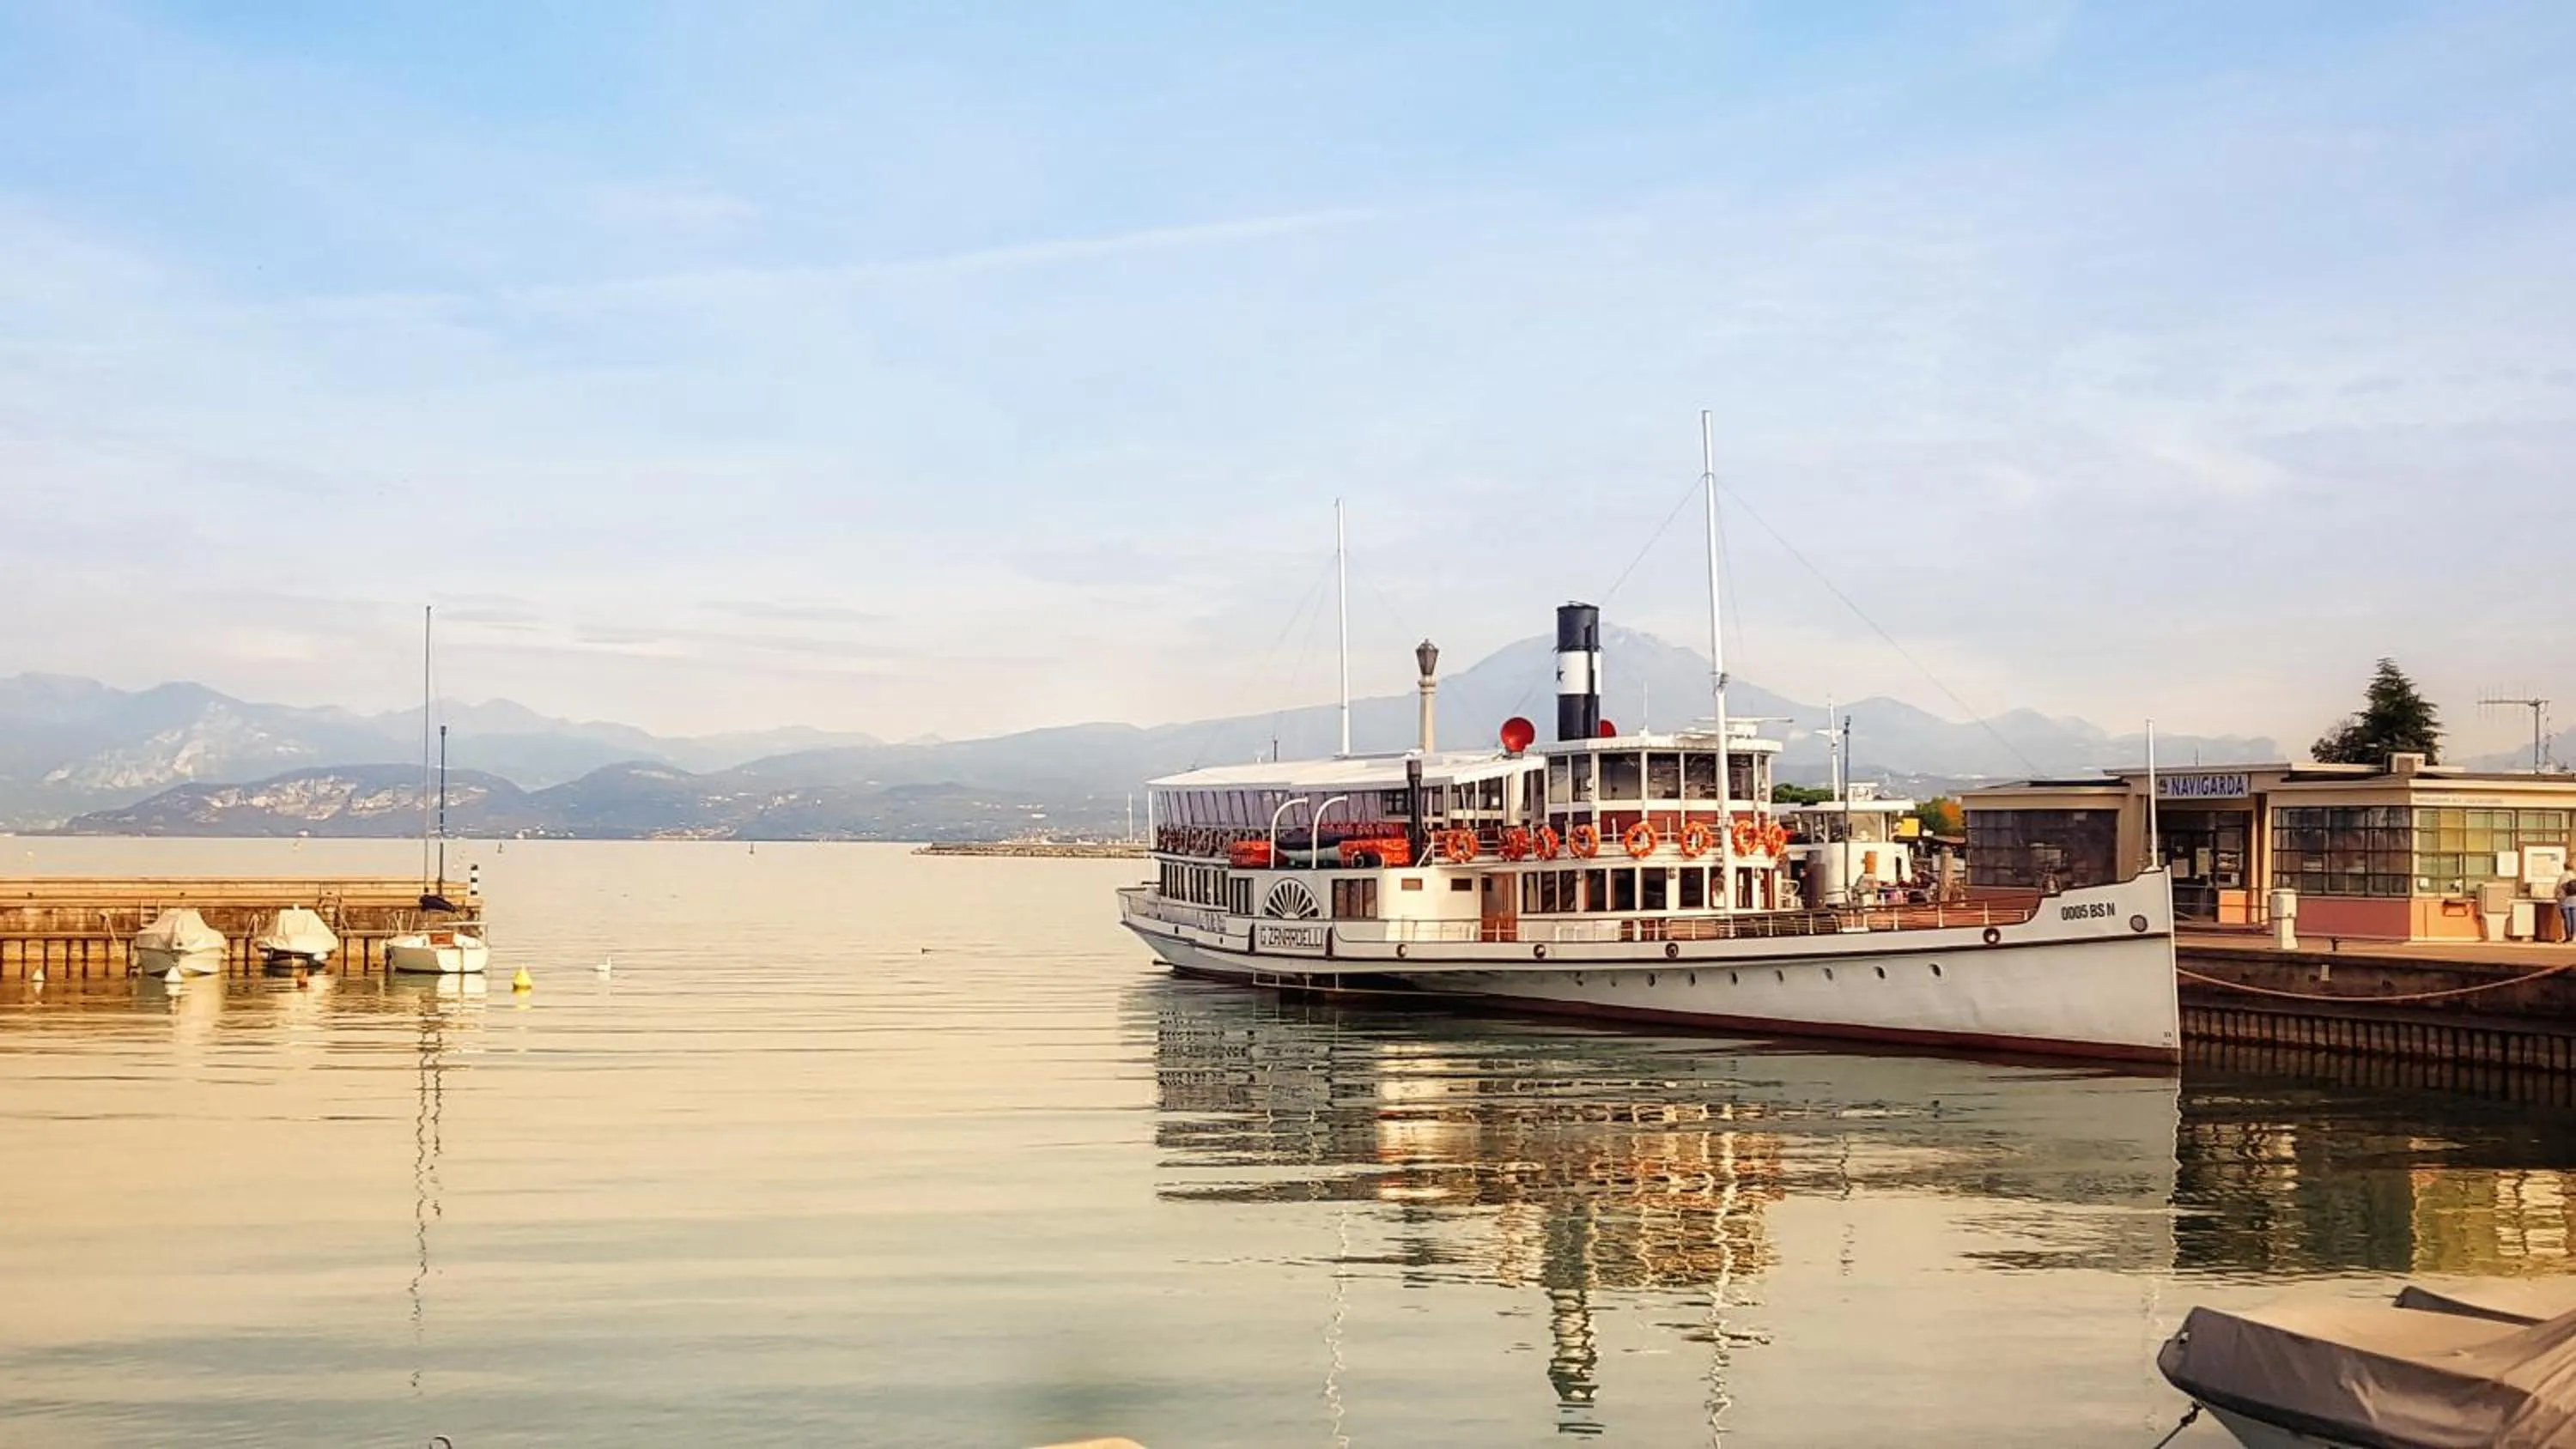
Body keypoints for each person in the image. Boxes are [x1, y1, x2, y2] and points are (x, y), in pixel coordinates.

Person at [2558, 871, 2576, 943]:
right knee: (2574, 919)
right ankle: (2574, 936)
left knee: (2567, 920)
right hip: (2575, 901)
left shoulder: (2562, 876)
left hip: (2565, 901)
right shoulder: (2574, 875)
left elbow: (2559, 890)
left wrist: (2558, 898)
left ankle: (2568, 937)